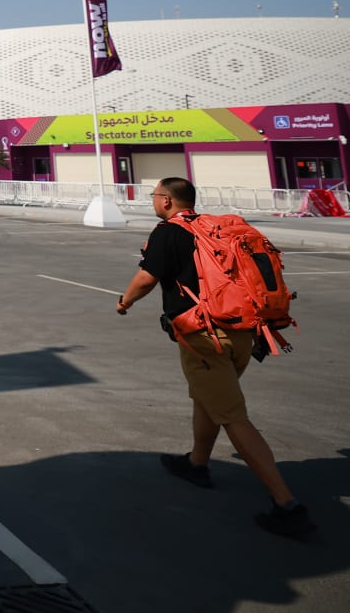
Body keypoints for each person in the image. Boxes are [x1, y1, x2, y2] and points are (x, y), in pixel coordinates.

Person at [116, 176, 314, 538]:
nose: (153, 201)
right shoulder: (213, 228)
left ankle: (287, 504)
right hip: (242, 332)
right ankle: (197, 463)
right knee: (209, 400)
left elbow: (146, 278)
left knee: (234, 416)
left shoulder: (168, 232)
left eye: (155, 196)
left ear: (166, 201)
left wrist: (125, 301)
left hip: (205, 337)